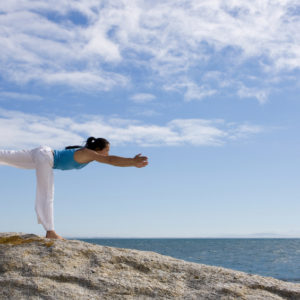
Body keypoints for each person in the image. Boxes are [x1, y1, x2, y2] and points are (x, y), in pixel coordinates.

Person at [0, 137, 148, 240]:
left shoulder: (87, 154)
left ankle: (49, 230)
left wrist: (131, 163)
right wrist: (132, 162)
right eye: (106, 150)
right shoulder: (88, 153)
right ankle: (50, 231)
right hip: (45, 157)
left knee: (7, 156)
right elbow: (110, 160)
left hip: (42, 153)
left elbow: (109, 159)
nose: (107, 154)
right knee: (47, 194)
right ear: (98, 149)